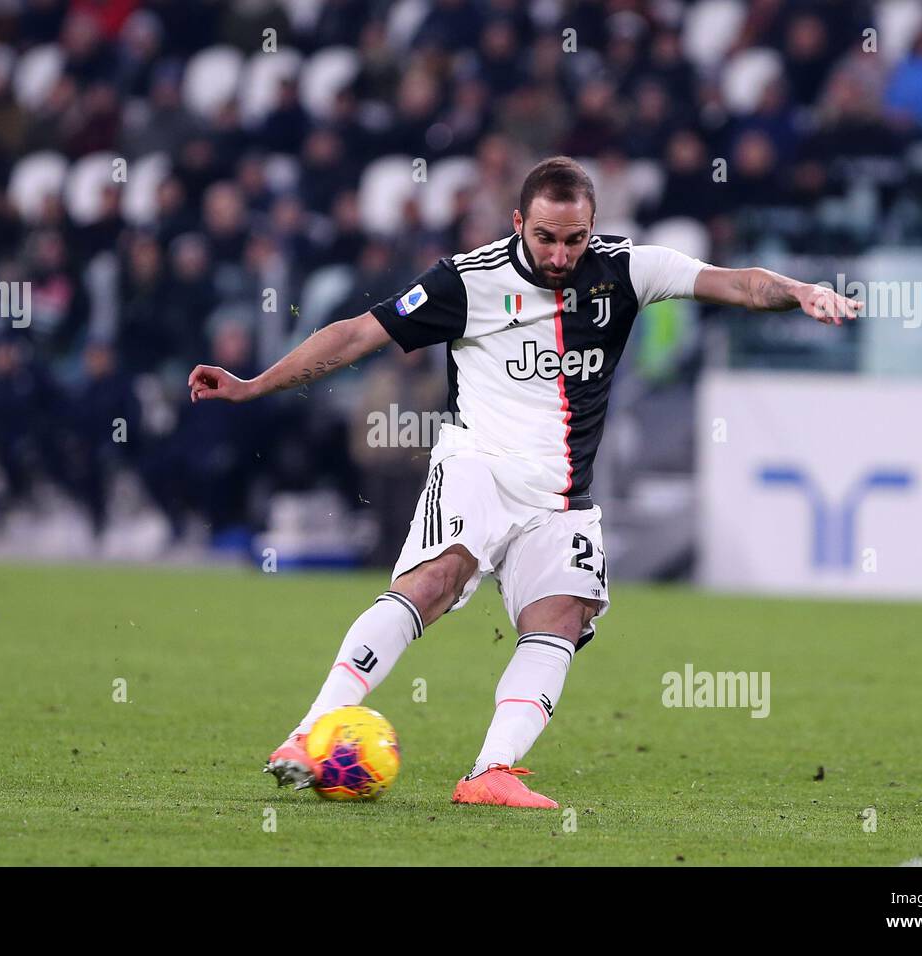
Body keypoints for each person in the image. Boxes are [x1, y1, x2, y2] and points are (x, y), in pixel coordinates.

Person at [187, 156, 862, 807]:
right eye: (546, 237)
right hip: (477, 463)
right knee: (435, 580)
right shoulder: (466, 280)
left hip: (562, 494)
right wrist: (256, 385)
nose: (562, 254)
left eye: (575, 238)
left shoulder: (627, 269)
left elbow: (739, 283)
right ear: (518, 223)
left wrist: (800, 292)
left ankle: (490, 772)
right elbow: (357, 335)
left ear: (593, 227)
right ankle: (310, 733)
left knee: (561, 618)